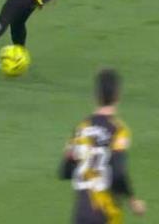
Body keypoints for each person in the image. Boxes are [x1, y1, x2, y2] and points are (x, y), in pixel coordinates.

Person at [59, 68, 147, 223]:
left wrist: (70, 155)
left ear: (95, 96)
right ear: (118, 95)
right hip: (105, 213)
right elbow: (118, 174)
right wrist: (133, 200)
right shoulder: (118, 130)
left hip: (81, 214)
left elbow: (65, 172)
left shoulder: (81, 128)